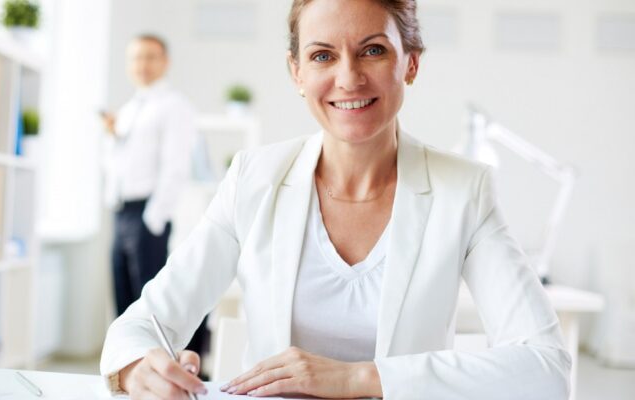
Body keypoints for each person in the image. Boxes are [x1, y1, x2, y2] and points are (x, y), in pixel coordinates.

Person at [100, 1, 571, 399]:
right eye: (323, 56)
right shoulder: (253, 179)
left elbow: (547, 368)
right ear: (297, 72)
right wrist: (138, 367)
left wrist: (359, 378)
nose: (348, 78)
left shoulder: (463, 191)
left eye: (372, 50)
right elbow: (138, 327)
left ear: (410, 62)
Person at [101, 34, 208, 354]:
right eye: (136, 58)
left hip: (146, 214)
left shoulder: (174, 106)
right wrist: (112, 136)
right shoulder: (131, 108)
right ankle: (131, 368)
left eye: (150, 57)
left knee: (150, 305)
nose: (142, 65)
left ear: (165, 62)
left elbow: (175, 167)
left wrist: (153, 219)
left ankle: (166, 368)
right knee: (124, 299)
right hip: (121, 212)